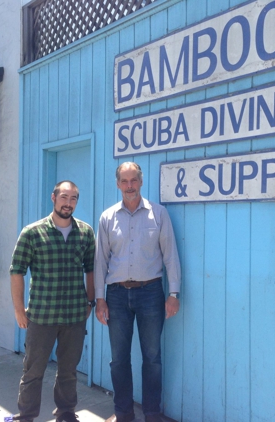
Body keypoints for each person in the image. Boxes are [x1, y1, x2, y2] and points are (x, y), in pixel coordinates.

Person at [94, 162, 181, 422]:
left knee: (152, 358)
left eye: (134, 180)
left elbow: (170, 256)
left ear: (141, 182)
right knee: (119, 359)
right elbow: (101, 261)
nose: (129, 186)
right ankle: (123, 413)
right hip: (117, 296)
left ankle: (152, 413)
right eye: (124, 181)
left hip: (151, 293)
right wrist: (100, 299)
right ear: (118, 184)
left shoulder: (159, 214)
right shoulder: (108, 217)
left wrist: (173, 293)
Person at [10, 180, 95, 422]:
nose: (68, 203)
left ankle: (66, 413)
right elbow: (17, 271)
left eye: (73, 199)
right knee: (33, 371)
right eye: (64, 197)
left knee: (68, 371)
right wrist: (18, 310)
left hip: (74, 317)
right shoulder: (32, 232)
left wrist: (90, 302)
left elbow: (91, 269)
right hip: (41, 315)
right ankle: (26, 416)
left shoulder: (86, 233)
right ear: (54, 197)